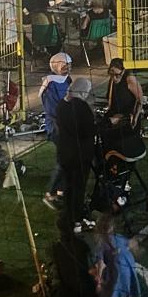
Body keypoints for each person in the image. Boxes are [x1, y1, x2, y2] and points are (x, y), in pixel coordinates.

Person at [55, 76, 98, 234]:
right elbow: (88, 130)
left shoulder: (61, 105)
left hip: (65, 153)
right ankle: (77, 221)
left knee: (69, 187)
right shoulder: (80, 106)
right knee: (79, 188)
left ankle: (68, 217)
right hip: (80, 154)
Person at [40, 51, 73, 210]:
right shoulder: (50, 85)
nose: (68, 68)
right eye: (65, 65)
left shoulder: (67, 80)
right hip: (57, 128)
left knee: (69, 160)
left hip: (67, 126)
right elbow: (53, 110)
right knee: (64, 160)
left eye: (69, 65)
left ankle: (61, 192)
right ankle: (50, 193)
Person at [93, 211, 142, 297]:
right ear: (112, 227)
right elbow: (131, 244)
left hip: (115, 271)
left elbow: (100, 264)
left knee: (112, 283)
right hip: (128, 267)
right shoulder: (119, 237)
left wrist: (98, 280)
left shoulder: (101, 244)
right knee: (126, 280)